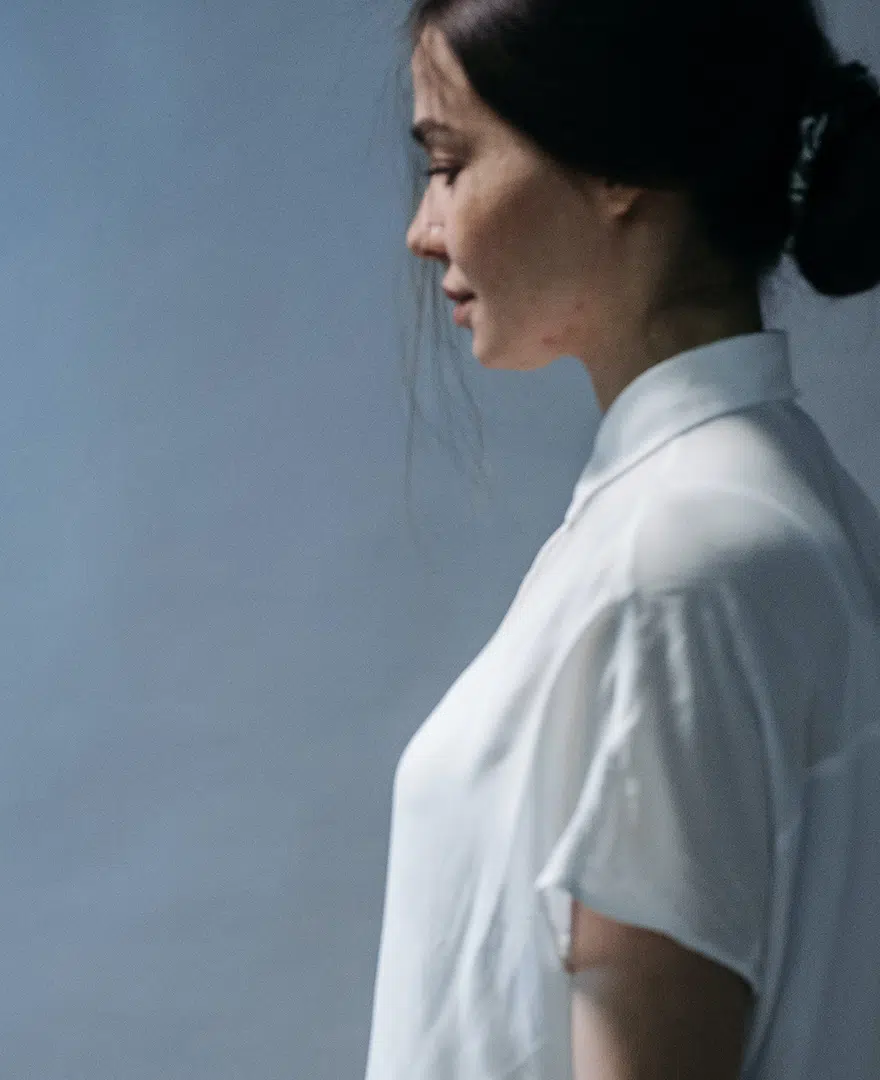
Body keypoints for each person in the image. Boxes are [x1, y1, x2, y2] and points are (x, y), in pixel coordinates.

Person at [367, 0, 880, 1077]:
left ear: (617, 164)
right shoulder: (778, 513)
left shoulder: (679, 570)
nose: (425, 227)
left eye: (450, 163)